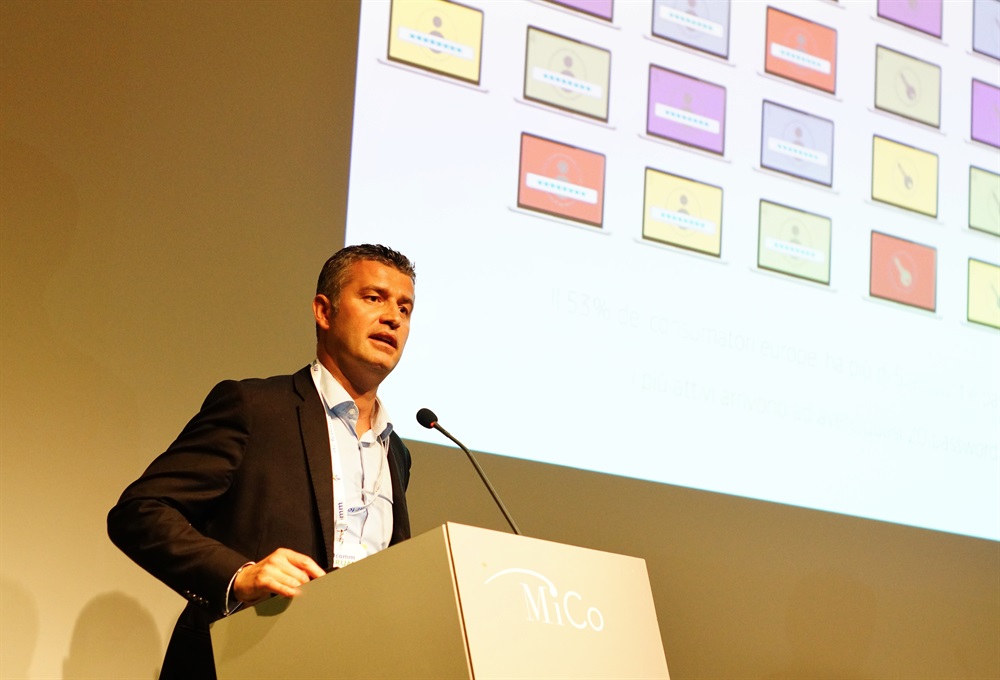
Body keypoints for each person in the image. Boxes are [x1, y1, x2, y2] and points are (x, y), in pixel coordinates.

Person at [108, 244, 417, 679]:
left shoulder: (396, 452)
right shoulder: (256, 408)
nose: (393, 318)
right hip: (244, 661)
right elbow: (141, 512)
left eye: (404, 308)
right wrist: (240, 576)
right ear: (323, 311)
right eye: (373, 298)